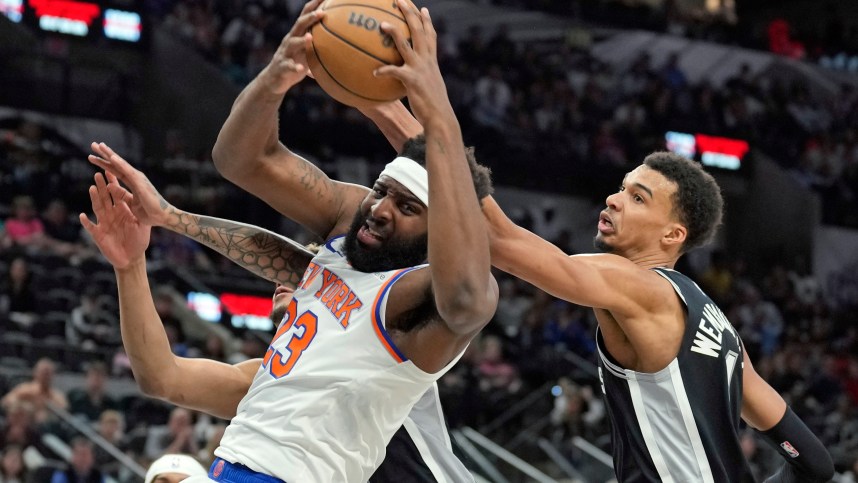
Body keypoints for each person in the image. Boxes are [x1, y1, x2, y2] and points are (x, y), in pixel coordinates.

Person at [79, 1, 497, 481]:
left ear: (437, 233)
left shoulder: (414, 305)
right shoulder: (291, 351)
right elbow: (240, 159)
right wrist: (277, 74)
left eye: (407, 209)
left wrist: (436, 109)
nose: (380, 209)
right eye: (381, 192)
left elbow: (466, 296)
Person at [482, 151, 834, 482]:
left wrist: (437, 135)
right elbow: (815, 463)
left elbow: (499, 241)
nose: (613, 199)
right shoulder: (721, 329)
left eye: (638, 198)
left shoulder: (641, 286)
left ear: (672, 234)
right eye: (622, 188)